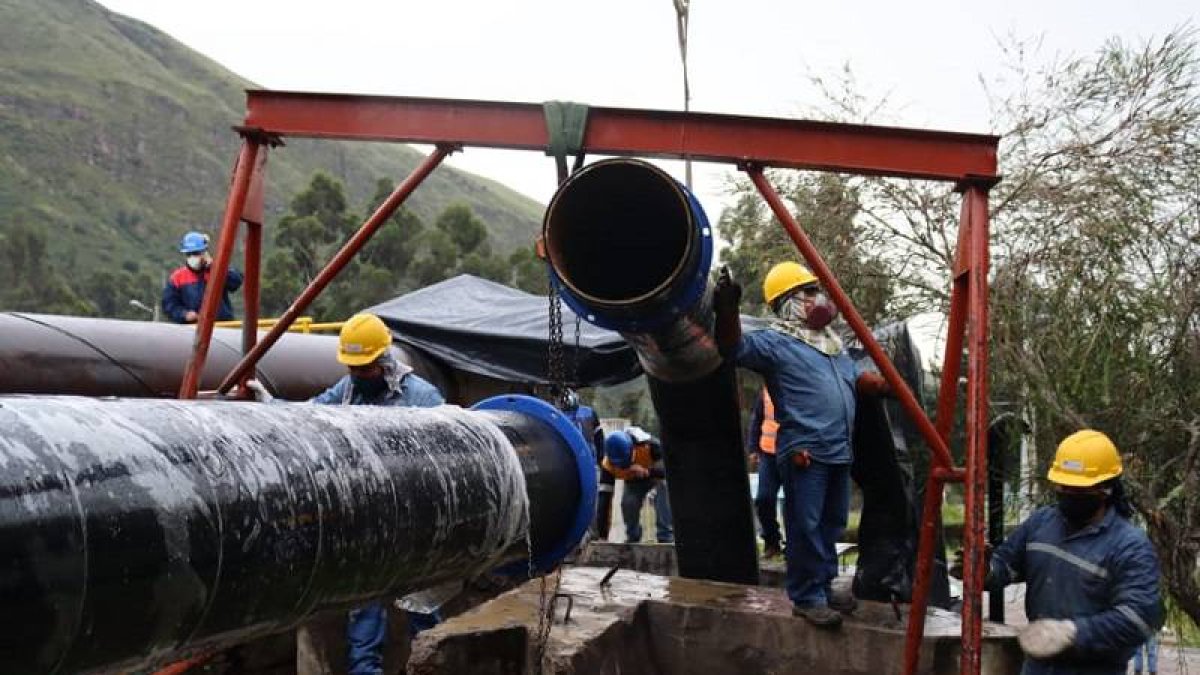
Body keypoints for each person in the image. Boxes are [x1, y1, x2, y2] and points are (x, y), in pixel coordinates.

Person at [248, 313, 443, 675]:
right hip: (368, 517)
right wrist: (269, 404)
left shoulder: (421, 398)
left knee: (420, 605)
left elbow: (447, 457)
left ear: (384, 361)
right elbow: (311, 416)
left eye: (364, 368)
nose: (357, 374)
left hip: (411, 520)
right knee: (366, 607)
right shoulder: (348, 390)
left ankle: (437, 661)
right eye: (353, 368)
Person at [714, 262, 890, 629]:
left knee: (831, 523)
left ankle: (824, 585)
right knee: (805, 524)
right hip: (804, 449)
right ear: (788, 303)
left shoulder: (834, 347)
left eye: (816, 291)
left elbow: (856, 381)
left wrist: (877, 382)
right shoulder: (776, 342)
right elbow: (732, 349)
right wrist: (727, 309)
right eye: (808, 293)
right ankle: (807, 597)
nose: (817, 299)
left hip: (839, 449)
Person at [978, 429, 1162, 674]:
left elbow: (1140, 618)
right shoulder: (1041, 523)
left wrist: (1072, 633)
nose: (1069, 495)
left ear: (1105, 489)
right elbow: (1006, 565)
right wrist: (985, 570)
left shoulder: (1129, 546)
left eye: (1079, 490)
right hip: (1037, 668)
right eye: (1064, 487)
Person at [602, 427, 673, 544]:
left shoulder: (652, 446)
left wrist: (648, 471)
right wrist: (602, 535)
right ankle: (633, 537)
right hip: (633, 483)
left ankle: (665, 536)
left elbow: (668, 471)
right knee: (628, 502)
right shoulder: (608, 465)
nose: (626, 467)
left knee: (664, 489)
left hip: (656, 478)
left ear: (633, 449)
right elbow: (604, 498)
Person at [161, 231, 243, 323]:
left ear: (204, 253)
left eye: (196, 253)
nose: (192, 257)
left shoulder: (217, 270)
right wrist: (183, 314)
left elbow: (236, 282)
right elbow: (169, 305)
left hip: (221, 327)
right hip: (193, 329)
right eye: (189, 254)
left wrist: (214, 267)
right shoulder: (177, 278)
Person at [562, 390, 612, 539]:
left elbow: (599, 436)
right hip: (570, 465)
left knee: (591, 498)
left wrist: (601, 458)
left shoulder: (588, 413)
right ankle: (573, 534)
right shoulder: (558, 414)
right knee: (572, 498)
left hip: (590, 462)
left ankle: (593, 533)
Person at [747, 387, 784, 559]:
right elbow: (757, 419)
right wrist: (753, 448)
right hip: (768, 453)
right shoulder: (766, 391)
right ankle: (772, 541)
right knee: (763, 498)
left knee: (795, 504)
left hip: (793, 454)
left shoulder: (800, 382)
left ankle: (794, 548)